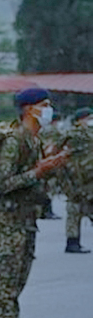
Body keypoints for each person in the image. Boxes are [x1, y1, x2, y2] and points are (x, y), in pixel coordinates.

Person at [0, 87, 69, 318]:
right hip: (9, 222)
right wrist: (39, 171)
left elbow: (33, 183)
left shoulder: (34, 140)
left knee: (18, 282)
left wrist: (49, 168)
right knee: (7, 283)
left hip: (26, 220)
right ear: (29, 109)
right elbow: (3, 183)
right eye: (44, 105)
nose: (49, 109)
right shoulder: (15, 140)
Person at [64, 107, 93, 254]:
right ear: (80, 120)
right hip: (76, 178)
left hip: (89, 180)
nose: (90, 121)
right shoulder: (72, 135)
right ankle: (72, 242)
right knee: (75, 211)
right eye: (88, 118)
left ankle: (73, 242)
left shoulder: (90, 134)